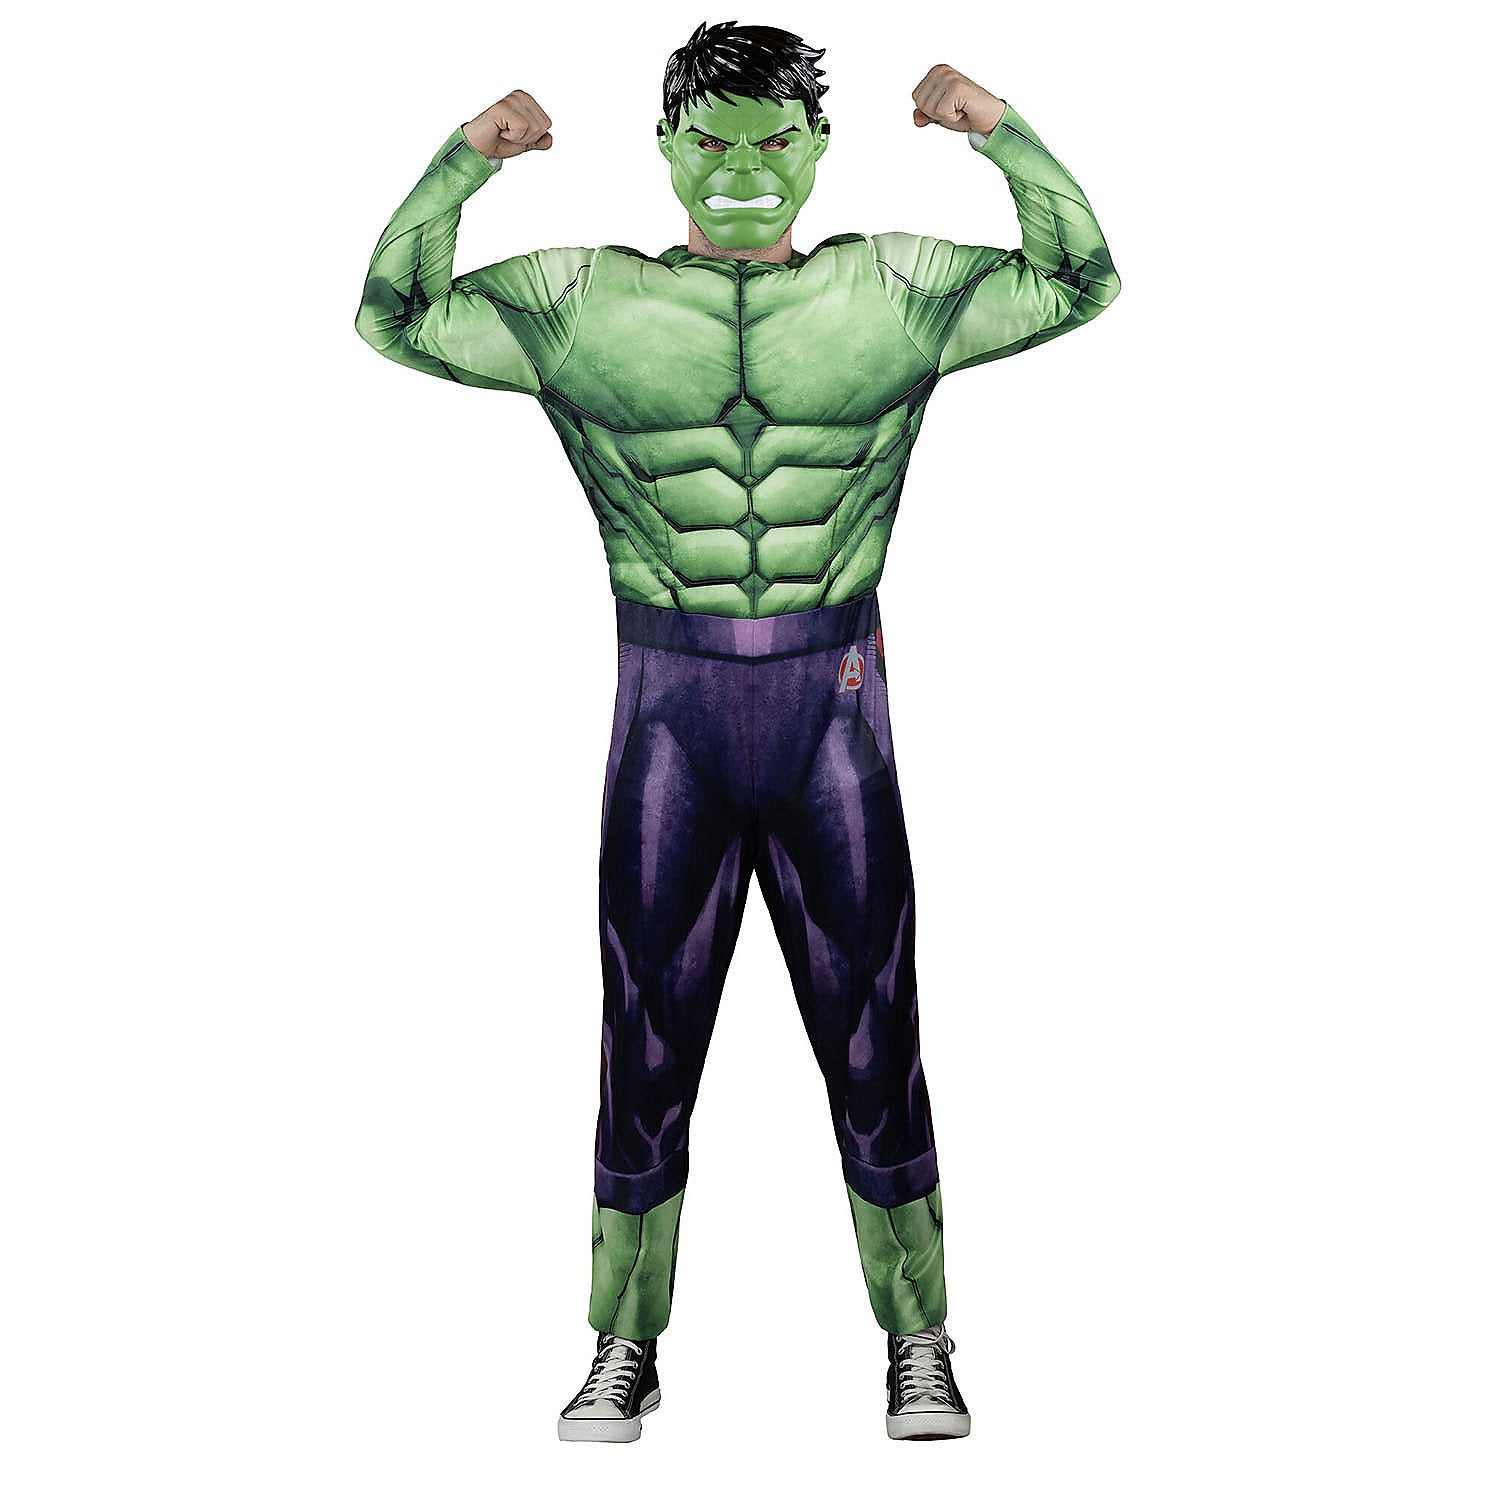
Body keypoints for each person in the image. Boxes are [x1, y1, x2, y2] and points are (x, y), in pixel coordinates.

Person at [355, 19, 1120, 1443]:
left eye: (775, 142)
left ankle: (920, 1340)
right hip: (674, 703)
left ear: (819, 147)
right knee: (644, 1028)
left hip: (833, 701)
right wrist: (464, 160)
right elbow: (393, 316)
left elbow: (1084, 279)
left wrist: (996, 124)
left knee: (874, 1020)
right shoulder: (587, 302)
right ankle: (622, 1345)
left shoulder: (888, 289)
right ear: (666, 148)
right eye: (713, 141)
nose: (747, 171)